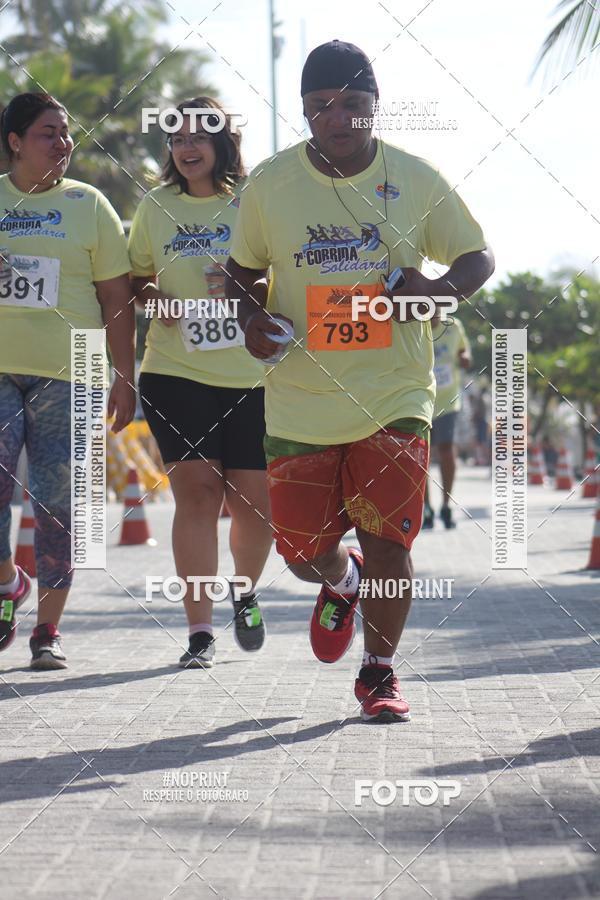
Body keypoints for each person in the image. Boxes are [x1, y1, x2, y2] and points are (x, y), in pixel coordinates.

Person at [227, 41, 494, 721]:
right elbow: (240, 270)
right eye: (321, 105)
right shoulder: (270, 185)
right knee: (300, 555)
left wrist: (436, 291)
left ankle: (379, 673)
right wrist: (251, 317)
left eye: (352, 104)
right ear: (303, 111)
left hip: (394, 393)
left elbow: (477, 256)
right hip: (300, 401)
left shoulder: (416, 179)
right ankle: (341, 579)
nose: (337, 118)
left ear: (375, 107)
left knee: (389, 542)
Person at [129, 97, 271, 669]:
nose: (187, 148)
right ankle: (200, 632)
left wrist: (249, 291)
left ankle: (245, 592)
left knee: (253, 505)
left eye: (199, 137)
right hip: (175, 371)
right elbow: (137, 277)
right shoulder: (156, 205)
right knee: (199, 495)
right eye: (177, 139)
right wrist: (155, 298)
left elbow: (283, 277)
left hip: (252, 376)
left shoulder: (252, 199)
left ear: (222, 143)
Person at [0, 92, 135, 668]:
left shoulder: (89, 203)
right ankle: (8, 583)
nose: (62, 143)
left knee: (59, 506)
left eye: (66, 132)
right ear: (15, 142)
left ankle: (47, 631)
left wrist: (125, 375)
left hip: (74, 370)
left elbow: (116, 297)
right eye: (47, 133)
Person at [422, 313, 471, 529]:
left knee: (447, 451)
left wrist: (465, 358)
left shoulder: (453, 325)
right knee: (421, 456)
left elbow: (463, 350)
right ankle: (426, 507)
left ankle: (446, 505)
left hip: (448, 402)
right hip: (420, 401)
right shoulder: (413, 324)